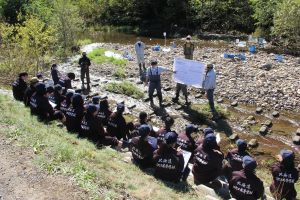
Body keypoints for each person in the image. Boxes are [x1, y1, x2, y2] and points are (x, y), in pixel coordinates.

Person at [172, 35, 194, 105]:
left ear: (190, 39)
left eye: (189, 39)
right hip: (180, 80)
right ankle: (177, 98)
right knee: (178, 89)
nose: (188, 40)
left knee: (183, 90)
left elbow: (192, 51)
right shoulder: (184, 45)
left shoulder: (192, 44)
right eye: (187, 39)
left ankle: (186, 101)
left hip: (183, 79)